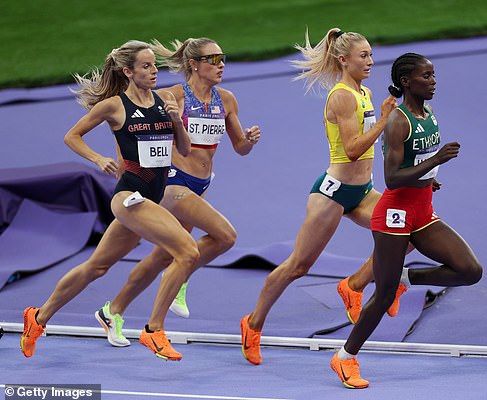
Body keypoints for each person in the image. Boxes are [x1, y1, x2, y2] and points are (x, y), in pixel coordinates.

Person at [20, 40, 199, 361]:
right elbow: (71, 136)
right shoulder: (114, 106)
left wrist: (175, 121)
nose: (154, 70)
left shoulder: (166, 100)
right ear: (128, 72)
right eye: (146, 66)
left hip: (151, 198)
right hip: (129, 196)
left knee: (96, 267)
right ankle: (154, 330)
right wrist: (97, 158)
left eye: (155, 65)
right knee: (187, 250)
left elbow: (184, 151)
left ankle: (38, 317)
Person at [240, 28, 410, 365]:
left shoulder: (365, 92)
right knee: (297, 267)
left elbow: (374, 144)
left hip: (362, 191)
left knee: (408, 229)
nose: (371, 61)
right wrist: (386, 117)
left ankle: (356, 285)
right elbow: (351, 150)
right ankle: (253, 323)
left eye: (372, 55)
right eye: (364, 56)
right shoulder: (343, 95)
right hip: (332, 194)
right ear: (344, 59)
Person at [95, 37, 260, 347]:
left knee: (160, 258)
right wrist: (124, 163)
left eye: (222, 57)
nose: (221, 64)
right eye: (213, 59)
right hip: (172, 182)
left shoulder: (227, 100)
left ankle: (112, 309)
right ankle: (171, 294)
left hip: (201, 184)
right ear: (194, 64)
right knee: (225, 236)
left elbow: (240, 148)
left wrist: (249, 139)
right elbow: (128, 122)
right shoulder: (172, 96)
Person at [330, 53, 483, 389]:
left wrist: (430, 176)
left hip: (422, 211)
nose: (433, 81)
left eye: (433, 75)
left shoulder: (428, 114)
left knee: (470, 270)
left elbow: (418, 162)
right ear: (406, 82)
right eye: (426, 76)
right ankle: (344, 358)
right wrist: (437, 161)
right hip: (394, 215)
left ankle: (404, 278)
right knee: (382, 297)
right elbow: (394, 178)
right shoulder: (399, 121)